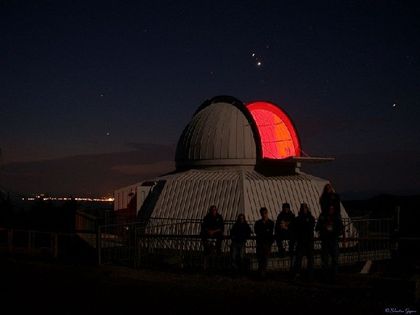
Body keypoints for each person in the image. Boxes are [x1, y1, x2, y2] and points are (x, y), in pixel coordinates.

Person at [315, 204, 345, 282]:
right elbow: (317, 227)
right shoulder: (322, 216)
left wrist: (334, 229)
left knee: (334, 259)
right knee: (325, 260)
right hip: (325, 240)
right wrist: (324, 227)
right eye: (329, 207)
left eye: (332, 208)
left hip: (333, 240)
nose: (330, 209)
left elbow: (341, 228)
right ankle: (325, 277)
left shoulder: (336, 216)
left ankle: (334, 277)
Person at [291, 203, 315, 280]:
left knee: (310, 259)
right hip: (301, 241)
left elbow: (309, 227)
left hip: (308, 241)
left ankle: (310, 274)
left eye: (305, 208)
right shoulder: (299, 219)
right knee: (299, 258)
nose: (304, 209)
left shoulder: (310, 218)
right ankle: (297, 273)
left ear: (307, 209)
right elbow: (296, 229)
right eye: (302, 208)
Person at [254, 207, 274, 278]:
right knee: (260, 259)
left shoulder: (270, 223)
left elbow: (268, 233)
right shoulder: (258, 223)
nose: (264, 215)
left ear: (267, 213)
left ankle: (262, 273)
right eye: (262, 213)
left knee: (265, 259)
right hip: (260, 243)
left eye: (265, 213)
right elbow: (257, 231)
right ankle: (261, 273)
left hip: (267, 243)